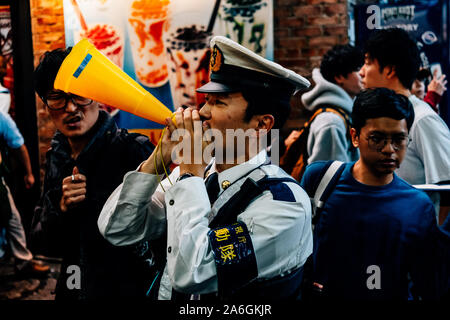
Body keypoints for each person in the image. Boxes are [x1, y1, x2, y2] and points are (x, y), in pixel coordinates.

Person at [98, 36, 313, 300]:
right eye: (206, 100)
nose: (201, 113)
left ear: (262, 125)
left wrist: (190, 170)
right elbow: (117, 229)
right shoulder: (195, 174)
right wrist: (157, 160)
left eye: (218, 102)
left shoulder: (284, 204)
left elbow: (193, 274)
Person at [301, 88, 449, 300]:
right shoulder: (321, 180)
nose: (389, 149)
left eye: (399, 139)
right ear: (355, 136)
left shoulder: (418, 206)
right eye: (377, 138)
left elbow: (427, 283)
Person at [31, 48, 155, 300]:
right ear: (45, 105)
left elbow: (160, 234)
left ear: (98, 97)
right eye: (57, 98)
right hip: (74, 285)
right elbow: (41, 242)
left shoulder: (134, 151)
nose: (71, 107)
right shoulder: (56, 155)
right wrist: (62, 207)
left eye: (79, 95)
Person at [359, 28, 450, 220]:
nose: (361, 72)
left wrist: (438, 241)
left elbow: (447, 190)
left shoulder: (423, 119)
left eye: (367, 63)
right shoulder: (375, 116)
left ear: (390, 70)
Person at [281, 45, 363, 180]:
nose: (362, 74)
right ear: (340, 77)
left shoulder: (339, 115)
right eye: (357, 69)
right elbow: (330, 182)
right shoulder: (331, 122)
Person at [0, 111, 49, 276]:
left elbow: (19, 146)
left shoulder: (1, 119)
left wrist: (29, 174)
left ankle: (22, 261)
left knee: (12, 219)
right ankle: (22, 261)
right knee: (12, 219)